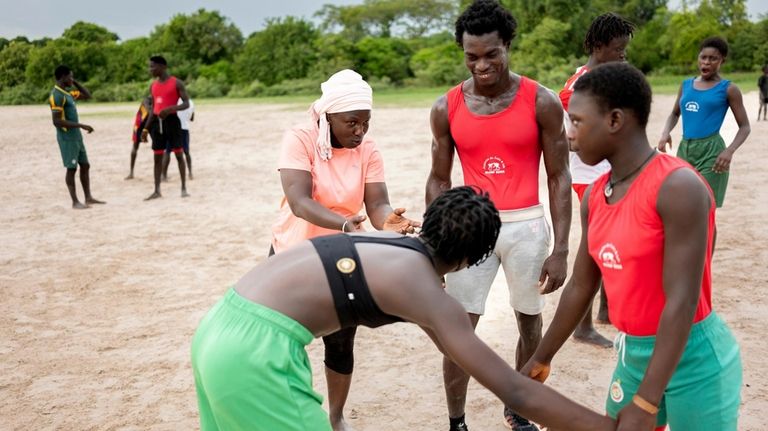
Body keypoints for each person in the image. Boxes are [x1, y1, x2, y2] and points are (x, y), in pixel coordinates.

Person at [191, 186, 616, 431]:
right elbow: (515, 391)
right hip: (257, 354)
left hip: (220, 325)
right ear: (476, 256)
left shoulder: (395, 247)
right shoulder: (429, 294)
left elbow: (451, 345)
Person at [522, 62, 742, 431]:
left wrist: (646, 400)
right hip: (635, 355)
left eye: (576, 121)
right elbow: (580, 284)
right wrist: (541, 358)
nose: (568, 134)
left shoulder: (678, 188)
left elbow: (682, 300)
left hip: (694, 356)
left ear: (615, 121)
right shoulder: (596, 195)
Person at [425, 1, 570, 429]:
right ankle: (457, 421)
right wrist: (434, 245)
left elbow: (559, 178)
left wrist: (561, 247)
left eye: (491, 54)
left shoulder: (541, 101)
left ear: (507, 45)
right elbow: (438, 180)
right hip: (470, 228)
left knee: (529, 323)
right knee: (459, 330)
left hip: (526, 226)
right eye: (472, 57)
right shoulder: (446, 107)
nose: (482, 64)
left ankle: (520, 408)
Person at [271, 69, 420, 431]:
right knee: (280, 341)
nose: (360, 131)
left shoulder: (367, 149)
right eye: (352, 122)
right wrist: (342, 224)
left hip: (342, 255)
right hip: (295, 251)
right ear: (328, 117)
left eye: (366, 123)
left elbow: (378, 204)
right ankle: (286, 412)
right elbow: (298, 200)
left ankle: (335, 417)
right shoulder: (301, 138)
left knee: (340, 342)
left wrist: (390, 221)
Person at [559, 12, 636, 345]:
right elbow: (576, 132)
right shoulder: (582, 84)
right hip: (589, 177)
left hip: (603, 172)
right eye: (619, 50)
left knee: (613, 240)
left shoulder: (596, 77)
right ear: (600, 46)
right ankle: (583, 326)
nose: (623, 56)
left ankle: (606, 310)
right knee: (594, 247)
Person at [658, 37, 751, 209]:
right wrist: (665, 133)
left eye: (713, 58)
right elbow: (674, 113)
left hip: (712, 153)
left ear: (722, 60)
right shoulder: (686, 85)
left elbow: (745, 126)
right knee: (684, 205)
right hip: (685, 150)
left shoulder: (728, 89)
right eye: (703, 57)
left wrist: (729, 151)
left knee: (706, 208)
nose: (706, 63)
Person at [49, 65, 105, 209]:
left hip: (76, 137)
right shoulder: (57, 95)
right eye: (70, 76)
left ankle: (88, 197)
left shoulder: (68, 93)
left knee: (85, 165)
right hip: (67, 138)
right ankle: (75, 202)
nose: (72, 79)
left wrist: (74, 82)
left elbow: (87, 95)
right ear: (63, 76)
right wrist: (81, 125)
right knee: (71, 169)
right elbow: (56, 121)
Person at [140, 55, 191, 200]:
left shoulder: (177, 83)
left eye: (153, 66)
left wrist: (169, 109)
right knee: (157, 157)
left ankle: (183, 188)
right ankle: (157, 190)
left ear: (163, 67)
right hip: (157, 124)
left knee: (179, 155)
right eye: (150, 66)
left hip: (173, 122)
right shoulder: (153, 86)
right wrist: (145, 129)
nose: (150, 69)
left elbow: (186, 103)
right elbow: (153, 109)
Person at [162, 97, 195, 180]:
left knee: (167, 151)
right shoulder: (190, 102)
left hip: (173, 128)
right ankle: (190, 173)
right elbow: (192, 118)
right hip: (184, 129)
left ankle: (164, 175)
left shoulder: (173, 100)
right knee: (186, 152)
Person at [125, 96, 152, 180]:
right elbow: (149, 110)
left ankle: (162, 173)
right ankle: (131, 172)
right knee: (135, 145)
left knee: (159, 146)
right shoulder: (147, 99)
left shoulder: (159, 98)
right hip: (141, 122)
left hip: (151, 120)